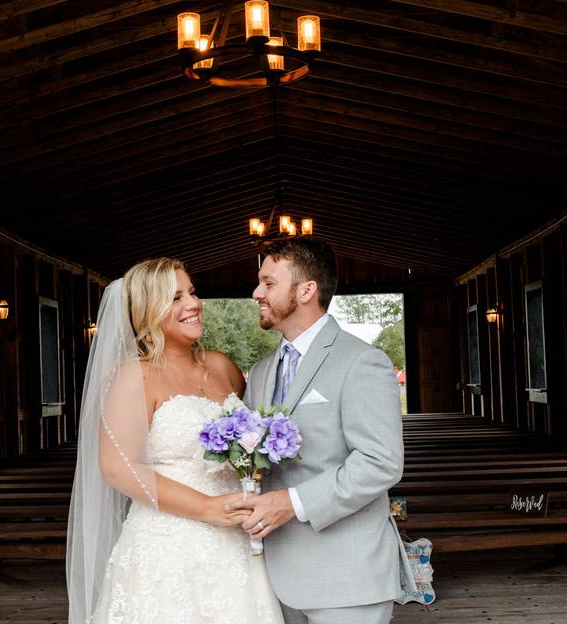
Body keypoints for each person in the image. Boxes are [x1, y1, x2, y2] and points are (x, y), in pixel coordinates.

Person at [66, 258, 285, 624]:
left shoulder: (222, 367)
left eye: (192, 292)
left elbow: (250, 439)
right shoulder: (133, 377)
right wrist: (206, 508)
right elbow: (118, 469)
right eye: (176, 297)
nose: (193, 303)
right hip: (168, 544)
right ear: (148, 311)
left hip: (237, 541)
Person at [229, 238, 406, 624]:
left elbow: (381, 463)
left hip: (346, 576)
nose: (256, 292)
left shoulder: (362, 361)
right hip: (272, 577)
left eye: (268, 283)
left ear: (307, 290)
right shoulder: (260, 371)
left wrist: (291, 503)